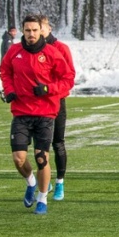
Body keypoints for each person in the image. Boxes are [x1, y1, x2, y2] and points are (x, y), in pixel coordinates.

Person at [0, 14, 75, 215]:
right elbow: (5, 71)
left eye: (34, 30)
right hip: (21, 112)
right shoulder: (14, 52)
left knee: (41, 158)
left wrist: (48, 89)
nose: (31, 34)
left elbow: (68, 79)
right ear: (22, 31)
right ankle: (30, 182)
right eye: (27, 30)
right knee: (18, 158)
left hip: (45, 113)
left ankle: (42, 199)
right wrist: (9, 90)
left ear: (41, 30)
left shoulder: (52, 53)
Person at [40, 16, 75, 200]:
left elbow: (69, 77)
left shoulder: (61, 48)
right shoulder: (30, 50)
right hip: (38, 104)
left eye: (42, 27)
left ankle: (60, 182)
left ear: (48, 27)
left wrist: (51, 90)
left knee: (57, 142)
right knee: (40, 145)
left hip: (57, 101)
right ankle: (45, 179)